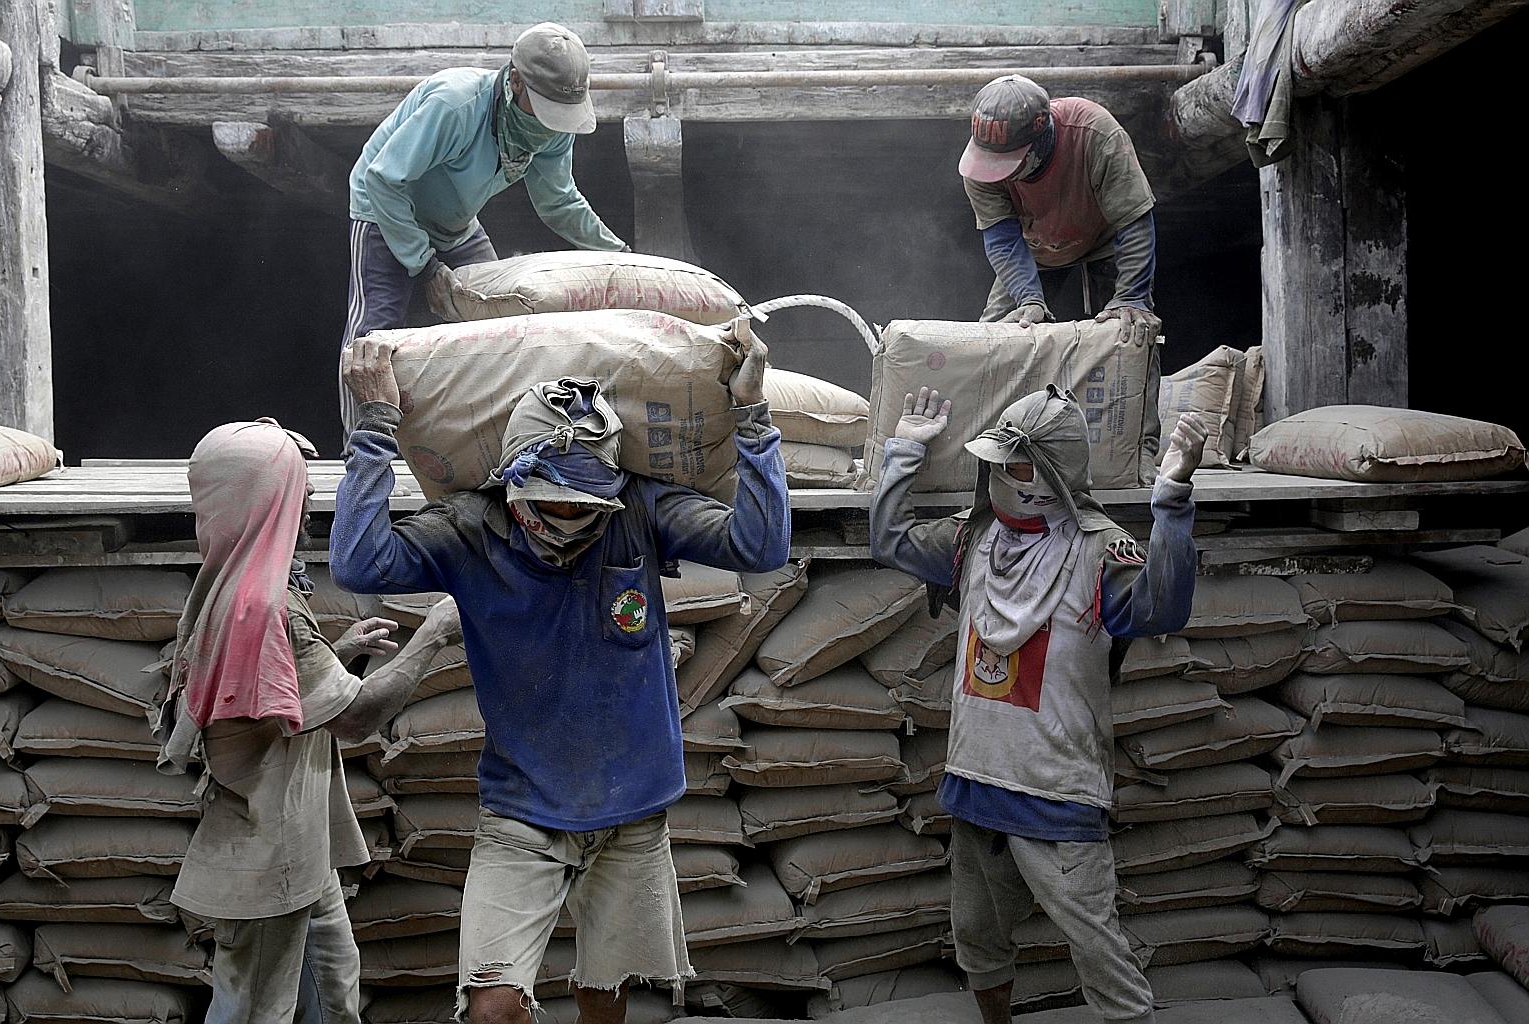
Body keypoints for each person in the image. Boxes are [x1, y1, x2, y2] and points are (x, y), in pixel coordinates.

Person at [329, 333, 790, 1024]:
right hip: (522, 811)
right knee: (491, 1007)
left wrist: (752, 416)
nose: (568, 523)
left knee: (604, 995)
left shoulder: (639, 510)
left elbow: (759, 546)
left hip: (633, 806)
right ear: (512, 483)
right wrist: (374, 430)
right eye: (551, 505)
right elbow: (360, 563)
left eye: (586, 508)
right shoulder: (468, 530)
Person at [869, 386, 1208, 1024]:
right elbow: (890, 541)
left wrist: (1172, 499)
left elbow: (1163, 607)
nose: (1001, 478)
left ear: (1052, 475)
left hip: (1057, 788)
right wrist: (904, 452)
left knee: (1097, 944)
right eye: (995, 465)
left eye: (1016, 467)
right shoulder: (973, 538)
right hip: (977, 779)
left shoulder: (1101, 550)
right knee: (976, 934)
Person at [155, 418, 461, 1024]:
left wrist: (336, 655)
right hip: (269, 853)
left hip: (296, 841)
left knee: (332, 985)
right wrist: (434, 635)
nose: (310, 508)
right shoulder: (269, 609)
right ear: (267, 501)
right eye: (299, 494)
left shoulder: (225, 587)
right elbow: (357, 720)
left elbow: (266, 700)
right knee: (254, 1007)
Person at [341, 21, 629, 437]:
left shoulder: (554, 129)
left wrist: (618, 253)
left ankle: (486, 444)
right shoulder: (455, 104)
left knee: (498, 322)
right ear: (514, 80)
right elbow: (383, 179)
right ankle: (360, 450)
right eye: (544, 107)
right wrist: (424, 266)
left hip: (456, 226)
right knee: (373, 336)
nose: (552, 125)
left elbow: (559, 202)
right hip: (387, 211)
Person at [960, 74, 1161, 346]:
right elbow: (1002, 240)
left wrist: (1131, 296)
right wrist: (1028, 299)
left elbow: (1133, 220)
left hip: (1107, 241)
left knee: (1132, 331)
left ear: (1042, 136)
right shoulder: (979, 165)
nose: (997, 173)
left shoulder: (1096, 134)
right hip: (1034, 251)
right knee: (994, 341)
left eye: (1008, 162)